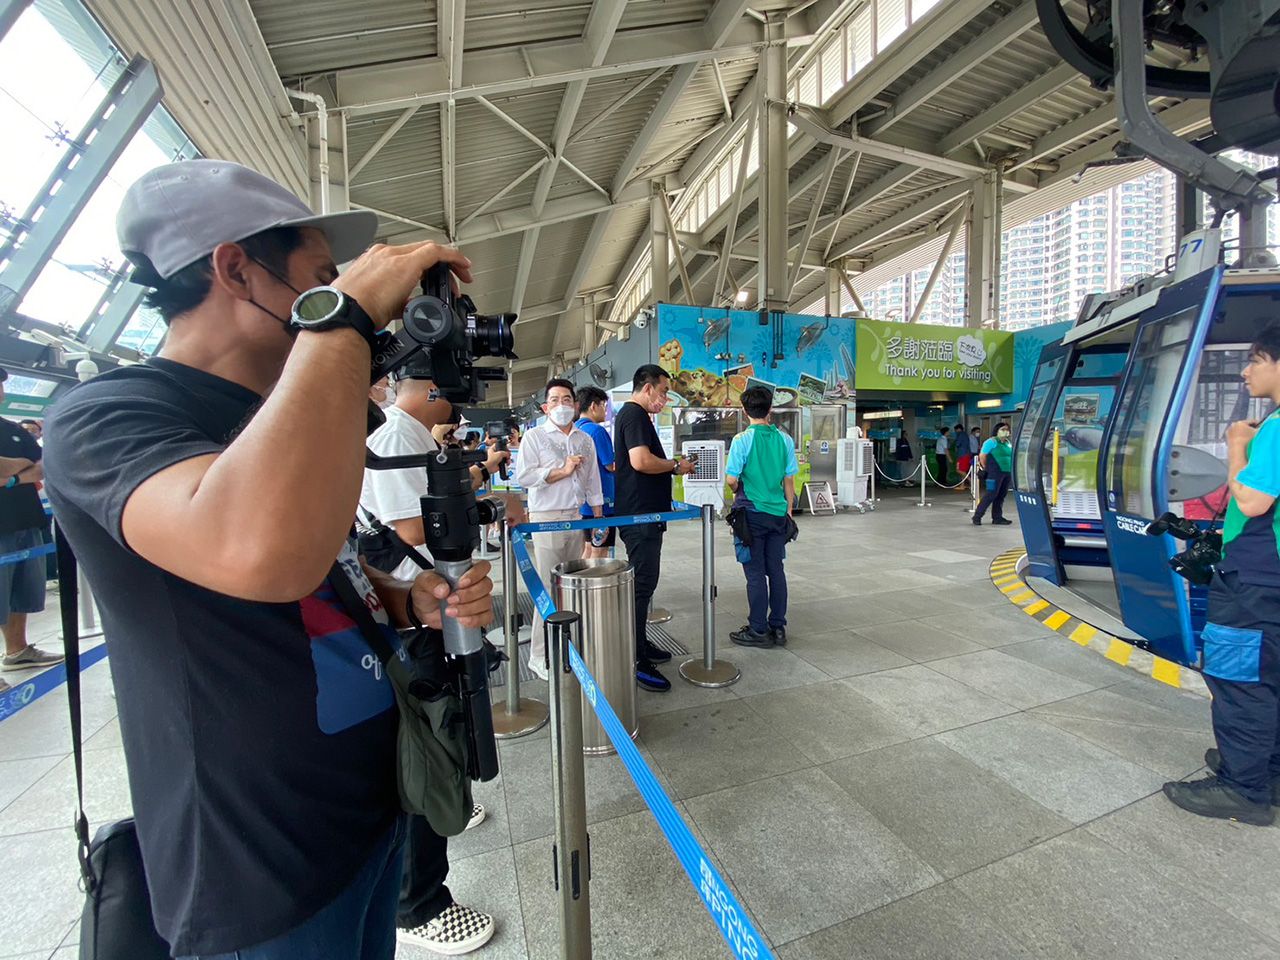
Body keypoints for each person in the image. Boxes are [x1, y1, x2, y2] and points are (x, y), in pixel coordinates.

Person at [41, 160, 496, 960]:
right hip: (257, 871)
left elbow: (317, 568)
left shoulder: (285, 409)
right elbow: (257, 550)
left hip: (363, 818)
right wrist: (346, 316)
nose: (336, 297)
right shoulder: (109, 414)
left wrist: (399, 598)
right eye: (320, 279)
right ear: (234, 268)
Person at [1164, 326, 1280, 826]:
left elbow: (1252, 500)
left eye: (1256, 360)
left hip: (1254, 579)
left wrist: (1238, 444)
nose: (1245, 370)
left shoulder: (1274, 428)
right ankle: (1265, 771)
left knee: (1238, 681)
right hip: (1272, 579)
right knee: (1268, 678)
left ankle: (1243, 790)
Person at [361, 373, 515, 583]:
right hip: (411, 583)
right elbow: (413, 528)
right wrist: (490, 507)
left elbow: (438, 490)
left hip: (426, 576)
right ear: (433, 389)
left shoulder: (412, 430)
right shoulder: (397, 435)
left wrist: (485, 468)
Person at [613, 364, 697, 692]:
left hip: (646, 513)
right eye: (663, 392)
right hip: (639, 515)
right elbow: (640, 461)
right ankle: (635, 658)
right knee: (641, 584)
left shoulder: (635, 416)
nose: (665, 398)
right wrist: (676, 466)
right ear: (647, 388)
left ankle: (640, 644)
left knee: (645, 584)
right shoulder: (633, 415)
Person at [515, 379, 604, 678]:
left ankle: (569, 645)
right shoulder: (535, 436)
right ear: (545, 406)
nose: (561, 405)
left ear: (576, 405)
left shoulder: (584, 439)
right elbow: (524, 476)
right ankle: (539, 656)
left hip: (576, 516)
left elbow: (593, 479)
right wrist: (560, 471)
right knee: (548, 588)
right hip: (547, 516)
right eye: (554, 400)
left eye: (567, 399)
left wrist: (598, 517)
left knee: (570, 585)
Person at [0, 369, 60, 689]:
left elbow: (44, 464)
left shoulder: (12, 429)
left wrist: (10, 475)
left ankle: (17, 650)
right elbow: (31, 463)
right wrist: (21, 464)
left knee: (22, 590)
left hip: (26, 518)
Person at [725, 386, 798, 648]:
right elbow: (789, 479)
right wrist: (788, 510)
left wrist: (738, 490)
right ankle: (778, 627)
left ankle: (758, 630)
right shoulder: (785, 440)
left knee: (755, 573)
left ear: (745, 411)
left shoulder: (742, 440)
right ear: (770, 409)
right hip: (778, 515)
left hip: (751, 515)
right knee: (776, 570)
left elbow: (732, 479)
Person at [575, 385, 616, 560]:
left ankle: (581, 584)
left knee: (588, 547)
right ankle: (595, 586)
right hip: (602, 501)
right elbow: (610, 465)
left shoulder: (575, 429)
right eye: (604, 406)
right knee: (600, 551)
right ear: (593, 406)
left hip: (583, 501)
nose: (605, 412)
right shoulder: (597, 431)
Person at [973, 422, 1013, 526]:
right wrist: (987, 468)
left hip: (1006, 472)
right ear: (997, 430)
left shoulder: (1007, 443)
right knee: (991, 494)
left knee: (1001, 495)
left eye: (1007, 429)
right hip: (994, 473)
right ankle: (977, 516)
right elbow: (982, 455)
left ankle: (997, 517)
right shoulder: (991, 442)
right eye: (1003, 429)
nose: (1006, 431)